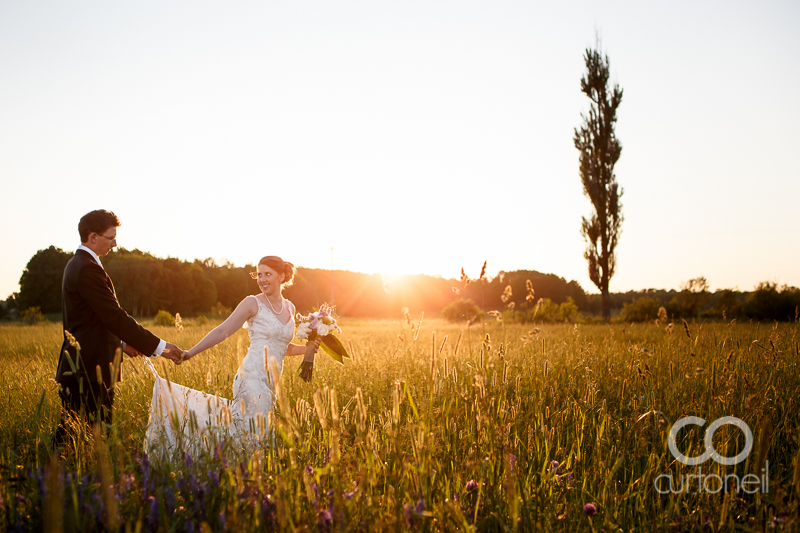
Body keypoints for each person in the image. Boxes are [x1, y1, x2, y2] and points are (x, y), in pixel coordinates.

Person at [144, 255, 318, 456]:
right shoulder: (252, 303)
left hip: (272, 382)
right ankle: (245, 474)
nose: (262, 280)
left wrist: (308, 348)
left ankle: (233, 471)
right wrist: (190, 352)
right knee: (256, 434)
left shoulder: (290, 307)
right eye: (259, 275)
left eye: (267, 274)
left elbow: (282, 348)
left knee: (251, 432)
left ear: (282, 276)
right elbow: (222, 330)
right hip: (251, 377)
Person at [55, 209, 183, 448]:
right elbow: (114, 316)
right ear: (93, 237)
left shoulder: (78, 264)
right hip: (90, 369)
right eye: (110, 237)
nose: (115, 243)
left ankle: (62, 480)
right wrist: (159, 347)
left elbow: (94, 318)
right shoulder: (86, 268)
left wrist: (122, 344)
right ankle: (59, 481)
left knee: (79, 439)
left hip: (87, 365)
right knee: (85, 440)